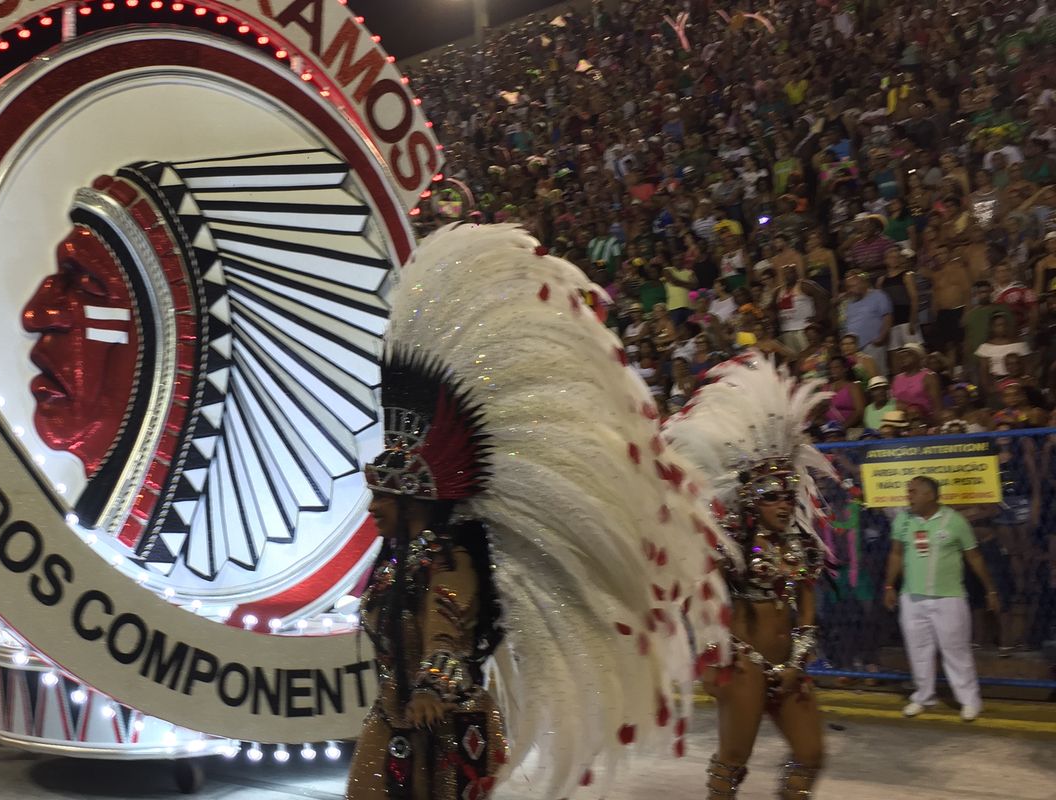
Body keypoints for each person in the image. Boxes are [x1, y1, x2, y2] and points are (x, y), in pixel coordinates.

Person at [346, 225, 729, 799]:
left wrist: (432, 684)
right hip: (395, 728)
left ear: (414, 498)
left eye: (383, 496)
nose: (373, 507)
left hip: (445, 733)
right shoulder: (398, 562)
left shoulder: (448, 561)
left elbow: (449, 635)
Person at [664, 353, 831, 799]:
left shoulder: (801, 545)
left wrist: (797, 659)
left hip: (788, 663)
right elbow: (698, 596)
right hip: (744, 664)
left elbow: (807, 607)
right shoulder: (730, 543)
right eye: (772, 495)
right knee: (733, 759)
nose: (783, 503)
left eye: (788, 494)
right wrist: (714, 651)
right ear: (752, 499)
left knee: (811, 753)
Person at [883, 477, 999, 722]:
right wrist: (890, 585)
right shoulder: (903, 520)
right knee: (918, 650)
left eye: (914, 492)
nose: (908, 496)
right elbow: (896, 554)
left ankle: (969, 701)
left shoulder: (954, 521)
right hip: (912, 598)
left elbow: (974, 557)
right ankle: (924, 696)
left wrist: (990, 590)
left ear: (930, 495)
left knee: (956, 651)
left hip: (949, 599)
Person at [838, 271, 894, 375]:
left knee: (878, 376)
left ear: (863, 284)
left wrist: (881, 337)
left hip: (872, 344)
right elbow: (844, 323)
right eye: (848, 287)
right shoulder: (848, 302)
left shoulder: (878, 295)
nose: (850, 290)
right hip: (853, 349)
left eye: (853, 286)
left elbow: (887, 317)